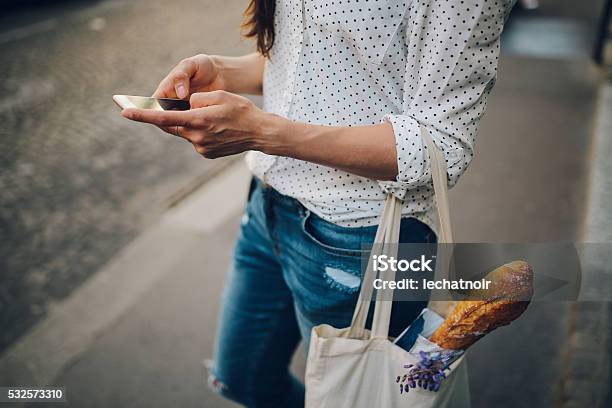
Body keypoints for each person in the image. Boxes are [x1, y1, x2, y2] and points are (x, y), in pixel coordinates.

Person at [122, 0, 513, 406]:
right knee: (241, 378)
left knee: (356, 397)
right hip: (267, 208)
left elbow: (443, 147)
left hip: (360, 237)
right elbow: (313, 56)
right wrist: (221, 71)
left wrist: (264, 132)